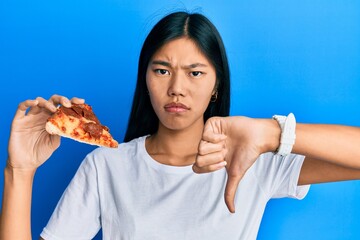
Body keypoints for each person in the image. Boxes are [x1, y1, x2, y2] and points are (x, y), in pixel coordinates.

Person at [1, 11, 360, 240]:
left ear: (216, 84)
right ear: (145, 79)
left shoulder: (252, 159)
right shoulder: (106, 166)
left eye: (195, 72)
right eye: (162, 70)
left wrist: (272, 133)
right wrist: (20, 170)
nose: (176, 88)